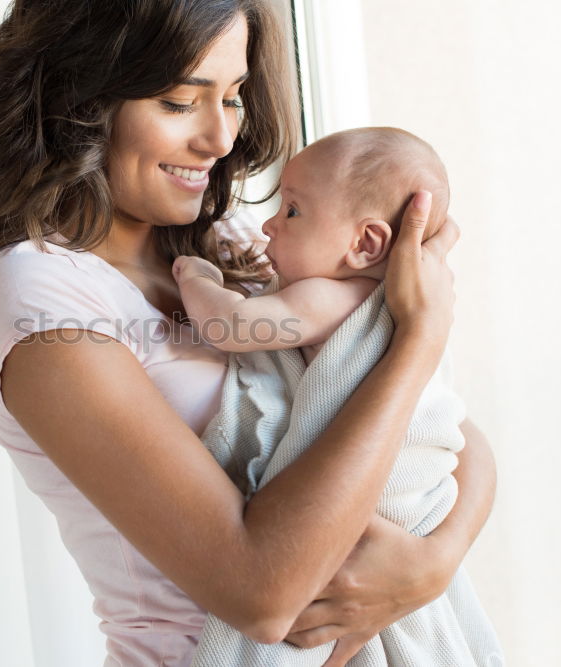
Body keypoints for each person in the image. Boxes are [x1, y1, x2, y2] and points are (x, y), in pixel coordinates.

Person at [0, 2, 497, 665]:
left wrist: (434, 561)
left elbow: (449, 437)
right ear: (77, 98)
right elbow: (264, 593)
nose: (221, 138)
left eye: (232, 97)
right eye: (179, 101)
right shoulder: (39, 301)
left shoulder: (225, 246)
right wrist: (420, 338)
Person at [173, 127, 503, 664]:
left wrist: (198, 278)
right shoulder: (397, 303)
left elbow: (232, 325)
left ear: (365, 244)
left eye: (293, 212)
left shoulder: (334, 298)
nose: (269, 225)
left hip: (387, 507)